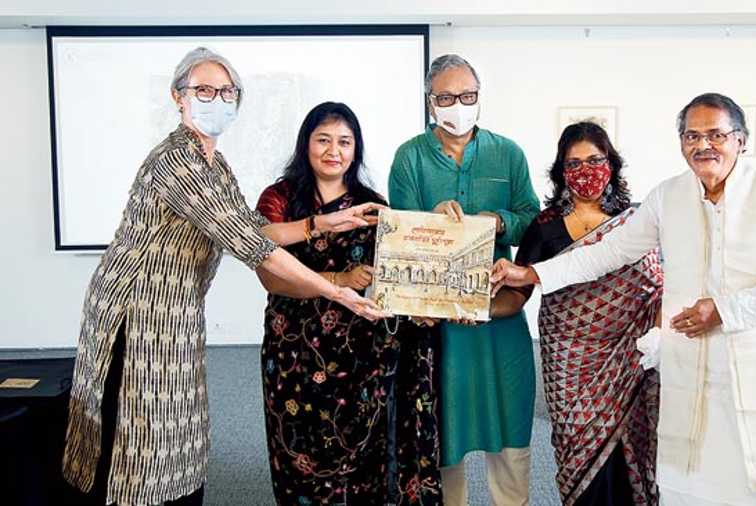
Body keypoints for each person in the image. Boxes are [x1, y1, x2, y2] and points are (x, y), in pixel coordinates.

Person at [62, 48, 385, 506]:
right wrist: (339, 290)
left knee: (177, 432)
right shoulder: (179, 162)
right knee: (135, 439)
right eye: (204, 90)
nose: (217, 99)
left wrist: (323, 223)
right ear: (178, 96)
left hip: (177, 311)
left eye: (227, 91)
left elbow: (255, 228)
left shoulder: (215, 163)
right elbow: (255, 248)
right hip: (136, 314)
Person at [492, 93, 756, 506]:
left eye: (716, 134)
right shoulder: (670, 197)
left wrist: (724, 311)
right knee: (694, 483)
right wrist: (533, 272)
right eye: (692, 136)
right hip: (692, 365)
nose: (703, 145)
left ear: (741, 139)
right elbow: (608, 252)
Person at [255, 102, 442, 505]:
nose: (333, 151)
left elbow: (399, 273)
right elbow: (268, 270)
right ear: (306, 144)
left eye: (344, 141)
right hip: (297, 356)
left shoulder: (373, 206)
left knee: (367, 463)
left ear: (356, 149)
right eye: (323, 140)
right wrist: (338, 281)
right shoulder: (280, 198)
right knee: (298, 450)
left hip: (363, 359)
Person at [389, 53, 540, 506]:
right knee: (444, 426)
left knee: (511, 419)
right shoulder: (410, 157)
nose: (459, 105)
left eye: (468, 96)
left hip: (499, 310)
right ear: (430, 102)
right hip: (438, 322)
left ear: (480, 96)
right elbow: (398, 233)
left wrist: (499, 221)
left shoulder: (507, 153)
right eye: (447, 97)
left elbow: (531, 218)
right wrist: (428, 220)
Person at [507, 122, 662, 506]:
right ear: (561, 171)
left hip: (631, 354)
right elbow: (518, 293)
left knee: (636, 446)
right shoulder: (544, 227)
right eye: (573, 163)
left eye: (595, 160)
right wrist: (472, 307)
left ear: (611, 163)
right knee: (577, 448)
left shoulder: (636, 222)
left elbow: (661, 284)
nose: (585, 170)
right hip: (569, 358)